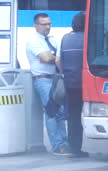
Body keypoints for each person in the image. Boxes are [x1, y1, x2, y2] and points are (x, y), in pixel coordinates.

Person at [26, 13, 70, 156]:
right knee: (52, 111)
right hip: (42, 79)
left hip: (56, 79)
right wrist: (55, 58)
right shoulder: (33, 41)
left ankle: (64, 143)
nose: (48, 27)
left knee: (61, 112)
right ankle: (57, 145)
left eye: (49, 24)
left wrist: (54, 58)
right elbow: (46, 58)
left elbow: (57, 58)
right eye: (44, 24)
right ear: (36, 26)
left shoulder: (52, 39)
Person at [60, 12, 88, 157]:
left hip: (70, 83)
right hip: (86, 84)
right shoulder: (88, 38)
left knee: (73, 116)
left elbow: (61, 60)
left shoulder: (65, 38)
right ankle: (78, 148)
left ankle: (74, 148)